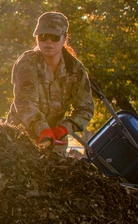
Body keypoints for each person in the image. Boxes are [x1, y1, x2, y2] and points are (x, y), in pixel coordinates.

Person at [7, 11, 94, 152]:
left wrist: (65, 128)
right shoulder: (27, 63)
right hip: (20, 136)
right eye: (42, 36)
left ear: (65, 38)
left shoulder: (75, 68)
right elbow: (25, 103)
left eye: (54, 37)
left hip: (56, 140)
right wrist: (42, 130)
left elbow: (85, 108)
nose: (48, 41)